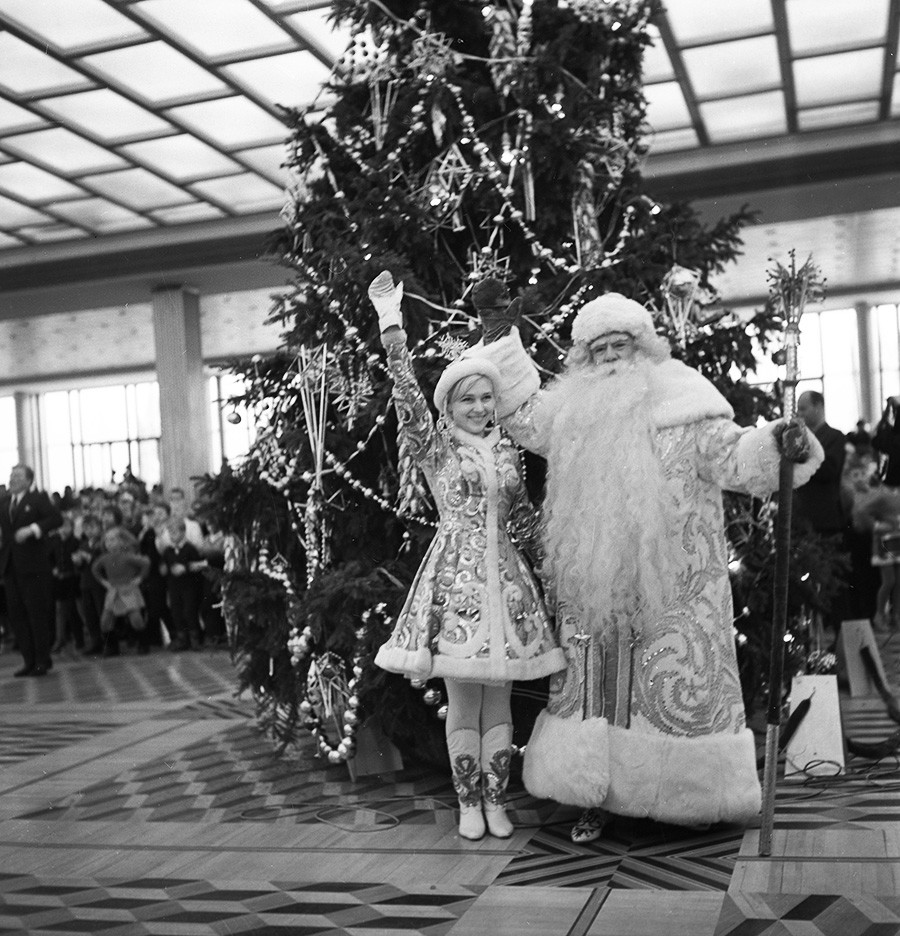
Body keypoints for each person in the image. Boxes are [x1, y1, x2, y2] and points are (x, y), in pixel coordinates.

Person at [471, 288, 823, 842]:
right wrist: (498, 340)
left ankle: (685, 797)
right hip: (594, 585)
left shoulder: (685, 400)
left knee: (669, 686)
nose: (610, 357)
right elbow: (521, 412)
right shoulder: (569, 410)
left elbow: (733, 456)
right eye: (598, 349)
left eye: (620, 345)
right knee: (593, 688)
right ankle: (593, 795)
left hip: (674, 585)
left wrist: (781, 443)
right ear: (583, 359)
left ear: (645, 348)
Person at [367, 271, 566, 842]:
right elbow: (406, 396)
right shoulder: (435, 449)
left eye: (486, 397)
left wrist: (553, 557)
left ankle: (496, 798)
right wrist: (391, 328)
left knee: (499, 703)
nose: (479, 406)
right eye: (467, 398)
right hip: (454, 587)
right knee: (463, 700)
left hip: (508, 587)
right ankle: (466, 803)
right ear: (449, 404)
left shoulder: (508, 452)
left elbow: (523, 516)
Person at [0, 464, 63, 677]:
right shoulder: (5, 503)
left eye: (17, 476)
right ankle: (28, 660)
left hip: (34, 566)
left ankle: (42, 661)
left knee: (36, 614)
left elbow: (56, 519)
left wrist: (32, 529)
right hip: (10, 567)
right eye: (11, 475)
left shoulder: (38, 499)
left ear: (28, 480)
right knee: (17, 614)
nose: (12, 479)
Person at [794, 390, 848, 537]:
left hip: (825, 518)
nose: (799, 413)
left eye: (803, 408)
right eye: (798, 409)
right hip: (801, 516)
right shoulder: (800, 437)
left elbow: (828, 472)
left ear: (818, 407)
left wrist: (802, 453)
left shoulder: (835, 437)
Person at [91, 526, 151, 655]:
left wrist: (139, 579)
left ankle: (143, 643)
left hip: (128, 589)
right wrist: (104, 582)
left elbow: (145, 563)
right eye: (107, 540)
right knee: (106, 621)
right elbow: (95, 569)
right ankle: (112, 647)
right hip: (113, 591)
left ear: (121, 541)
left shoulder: (128, 556)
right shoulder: (104, 558)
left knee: (136, 618)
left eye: (113, 540)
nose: (109, 543)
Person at [160, 517, 206, 651]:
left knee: (189, 612)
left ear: (183, 532)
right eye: (170, 533)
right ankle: (182, 639)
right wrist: (164, 569)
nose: (172, 536)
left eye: (174, 532)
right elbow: (165, 565)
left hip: (188, 587)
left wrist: (185, 567)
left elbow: (197, 565)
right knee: (176, 612)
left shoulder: (190, 548)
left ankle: (195, 638)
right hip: (174, 587)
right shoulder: (168, 550)